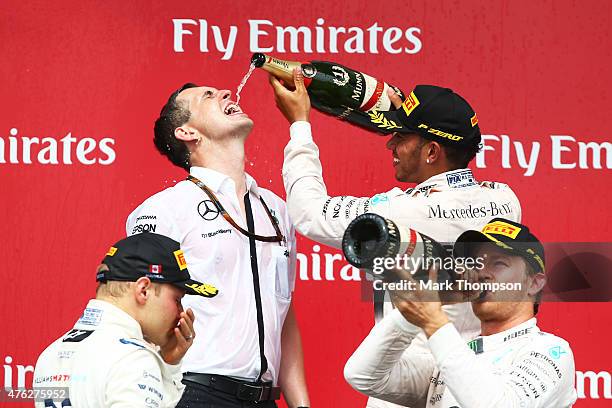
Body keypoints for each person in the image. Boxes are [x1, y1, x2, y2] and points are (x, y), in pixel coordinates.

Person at [270, 69, 522, 407]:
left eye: (401, 137)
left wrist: (299, 124)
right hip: (469, 377)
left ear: (432, 152)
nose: (391, 144)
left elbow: (309, 213)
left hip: (404, 376)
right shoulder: (505, 200)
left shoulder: (400, 211)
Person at [126, 84, 309, 407]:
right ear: (186, 132)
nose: (226, 92)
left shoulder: (276, 208)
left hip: (266, 398)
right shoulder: (164, 209)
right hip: (196, 392)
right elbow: (137, 314)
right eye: (208, 96)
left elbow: (284, 315)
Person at [343, 218, 577, 407]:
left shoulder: (549, 352)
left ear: (534, 283)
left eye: (498, 263)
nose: (481, 273)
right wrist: (410, 313)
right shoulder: (456, 356)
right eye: (476, 263)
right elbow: (363, 375)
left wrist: (434, 321)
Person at [33, 232, 218, 408]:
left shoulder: (50, 354)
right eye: (177, 299)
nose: (180, 312)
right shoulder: (134, 358)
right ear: (143, 290)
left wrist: (168, 367)